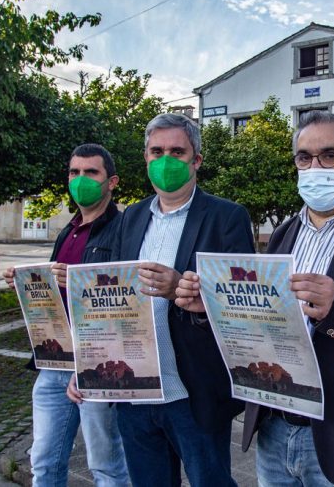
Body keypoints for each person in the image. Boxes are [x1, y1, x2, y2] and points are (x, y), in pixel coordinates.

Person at [175, 111, 334, 486]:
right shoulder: (284, 235)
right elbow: (264, 319)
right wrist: (211, 305)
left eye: (329, 155)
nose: (315, 167)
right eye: (304, 158)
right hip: (274, 424)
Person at [68, 113, 254, 486]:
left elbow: (243, 309)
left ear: (196, 159)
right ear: (146, 158)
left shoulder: (227, 217)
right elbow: (112, 300)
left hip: (195, 392)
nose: (165, 160)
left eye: (176, 151)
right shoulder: (131, 217)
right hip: (136, 393)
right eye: (157, 151)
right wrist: (90, 363)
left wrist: (181, 291)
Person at [4, 144, 129, 487]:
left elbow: (124, 305)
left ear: (112, 181)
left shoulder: (122, 231)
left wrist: (92, 366)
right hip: (53, 364)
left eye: (92, 172)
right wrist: (28, 283)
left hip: (97, 368)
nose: (81, 179)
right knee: (43, 460)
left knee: (106, 466)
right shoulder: (67, 231)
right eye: (74, 172)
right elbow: (55, 293)